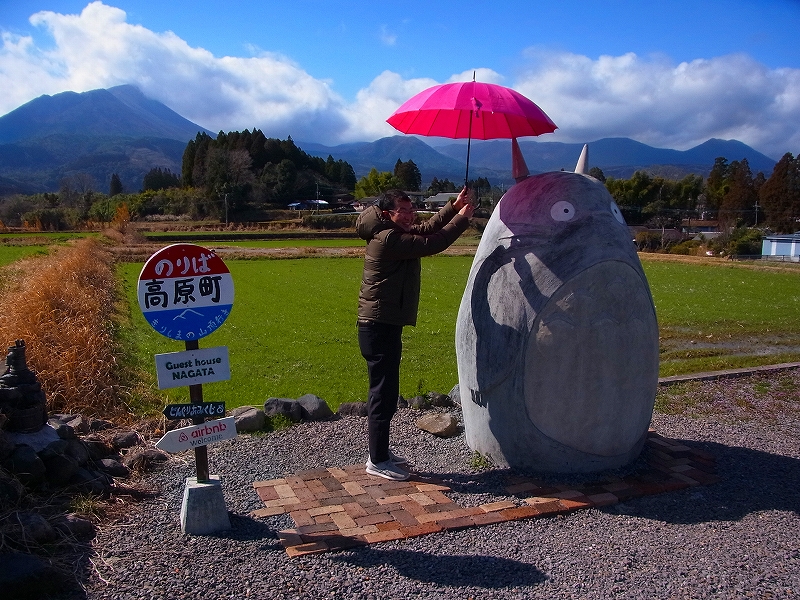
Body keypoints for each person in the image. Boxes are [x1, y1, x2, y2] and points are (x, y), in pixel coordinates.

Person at [355, 187, 475, 480]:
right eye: (403, 212)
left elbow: (424, 229)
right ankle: (377, 460)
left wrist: (452, 206)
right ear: (387, 214)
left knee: (386, 390)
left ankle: (381, 454)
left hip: (384, 323)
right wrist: (462, 219)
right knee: (383, 394)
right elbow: (431, 242)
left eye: (411, 211)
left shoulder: (390, 230)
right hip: (378, 325)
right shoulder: (388, 238)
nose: (410, 217)